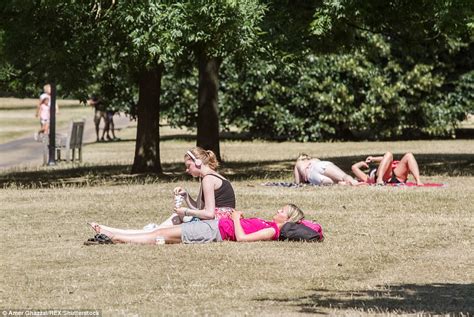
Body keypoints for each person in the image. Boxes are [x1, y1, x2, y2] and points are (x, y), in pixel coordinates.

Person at [87, 204, 305, 244]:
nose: (277, 211)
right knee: (162, 235)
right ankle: (113, 235)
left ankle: (114, 237)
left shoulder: (273, 230)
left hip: (214, 231)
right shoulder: (270, 224)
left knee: (160, 234)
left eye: (282, 211)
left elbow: (242, 238)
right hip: (215, 227)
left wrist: (237, 218)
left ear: (288, 220)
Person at [351, 152, 423, 185]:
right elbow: (354, 168)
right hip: (383, 178)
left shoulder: (382, 167)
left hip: (395, 175)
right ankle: (379, 179)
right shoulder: (367, 178)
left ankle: (418, 181)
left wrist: (373, 159)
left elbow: (386, 159)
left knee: (409, 155)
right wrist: (361, 163)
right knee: (389, 154)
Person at [294, 154, 359, 186]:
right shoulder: (315, 159)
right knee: (344, 176)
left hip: (312, 176)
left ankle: (349, 184)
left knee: (337, 183)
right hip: (320, 165)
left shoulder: (298, 163)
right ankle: (355, 182)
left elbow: (298, 183)